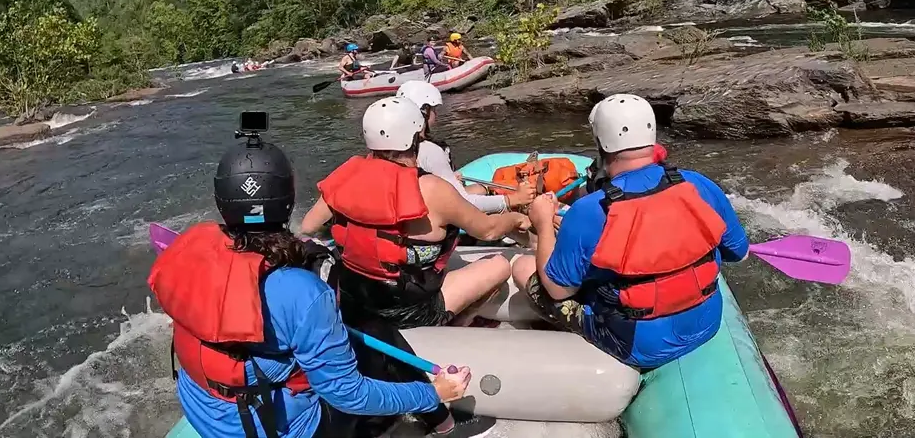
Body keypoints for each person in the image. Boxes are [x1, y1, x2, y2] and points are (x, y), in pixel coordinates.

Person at [147, 128, 473, 438]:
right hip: (283, 429)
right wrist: (433, 392)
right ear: (287, 201)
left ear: (222, 201)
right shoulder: (303, 292)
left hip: (205, 413)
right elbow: (349, 395)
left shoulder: (189, 252)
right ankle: (436, 417)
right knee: (375, 332)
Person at [298, 96, 531, 437]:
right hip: (412, 308)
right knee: (498, 265)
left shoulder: (345, 177)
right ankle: (456, 325)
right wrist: (517, 219)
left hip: (354, 300)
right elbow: (489, 231)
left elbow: (307, 227)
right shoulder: (432, 189)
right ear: (416, 136)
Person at [512, 94, 750, 370]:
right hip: (707, 323)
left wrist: (543, 224)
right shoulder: (697, 184)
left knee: (523, 267)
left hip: (639, 345)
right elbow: (740, 254)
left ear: (601, 143)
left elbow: (556, 291)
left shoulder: (589, 210)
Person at [396, 80, 536, 215]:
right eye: (433, 110)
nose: (436, 115)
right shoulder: (430, 151)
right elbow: (463, 203)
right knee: (514, 215)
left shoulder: (396, 148)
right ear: (424, 111)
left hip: (421, 209)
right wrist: (513, 199)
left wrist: (449, 179)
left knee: (481, 189)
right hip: (441, 216)